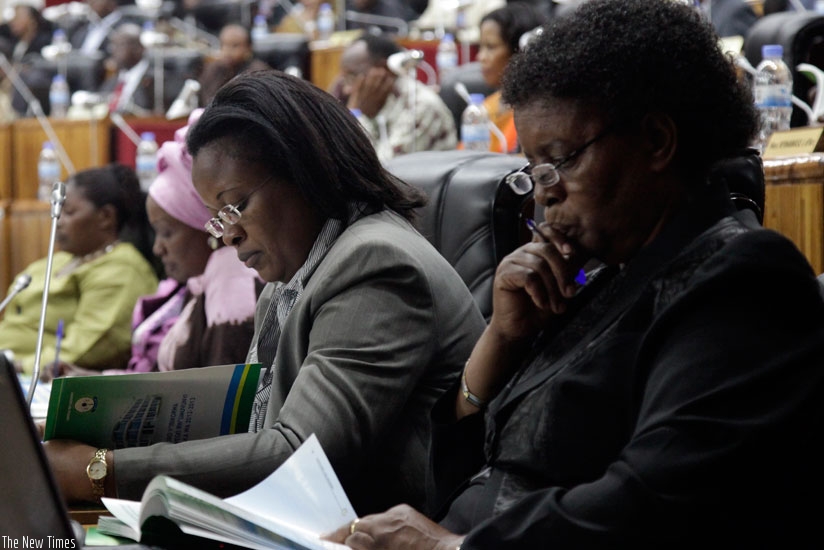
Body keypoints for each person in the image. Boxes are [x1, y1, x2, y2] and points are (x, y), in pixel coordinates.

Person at [325, 0, 824, 547]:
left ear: (657, 141)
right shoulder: (599, 274)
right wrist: (502, 340)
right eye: (535, 169)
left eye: (561, 160)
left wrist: (454, 548)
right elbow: (457, 481)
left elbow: (654, 499)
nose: (544, 191)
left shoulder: (743, 279)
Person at [44, 70, 486, 516]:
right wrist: (90, 439)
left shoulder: (374, 265)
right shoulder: (290, 278)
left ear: (304, 169)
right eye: (217, 217)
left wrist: (99, 469)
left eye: (234, 206)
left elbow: (300, 455)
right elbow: (251, 427)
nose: (228, 235)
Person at [48, 110, 262, 377]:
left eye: (167, 233)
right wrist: (93, 381)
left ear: (206, 227)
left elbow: (215, 405)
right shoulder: (193, 287)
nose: (157, 248)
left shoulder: (230, 283)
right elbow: (166, 386)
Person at [0, 164, 158, 375]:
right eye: (56, 210)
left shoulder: (122, 269)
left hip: (38, 378)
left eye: (69, 212)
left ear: (105, 217)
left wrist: (17, 367)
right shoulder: (65, 258)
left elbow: (88, 345)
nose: (58, 221)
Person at [334, 33, 457, 162]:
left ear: (383, 69)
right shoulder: (372, 103)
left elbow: (382, 171)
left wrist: (356, 115)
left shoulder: (421, 106)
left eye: (352, 77)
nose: (346, 89)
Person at [471, 2, 547, 153]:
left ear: (521, 50)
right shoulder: (486, 107)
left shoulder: (539, 115)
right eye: (480, 47)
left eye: (490, 47)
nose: (481, 57)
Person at [198, 23, 272, 106]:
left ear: (248, 47)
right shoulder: (213, 68)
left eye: (235, 46)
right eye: (223, 45)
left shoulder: (258, 72)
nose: (227, 51)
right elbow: (205, 102)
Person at [98, 22, 153, 115]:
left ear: (139, 48)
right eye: (112, 45)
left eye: (120, 45)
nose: (113, 50)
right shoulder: (111, 82)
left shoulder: (156, 80)